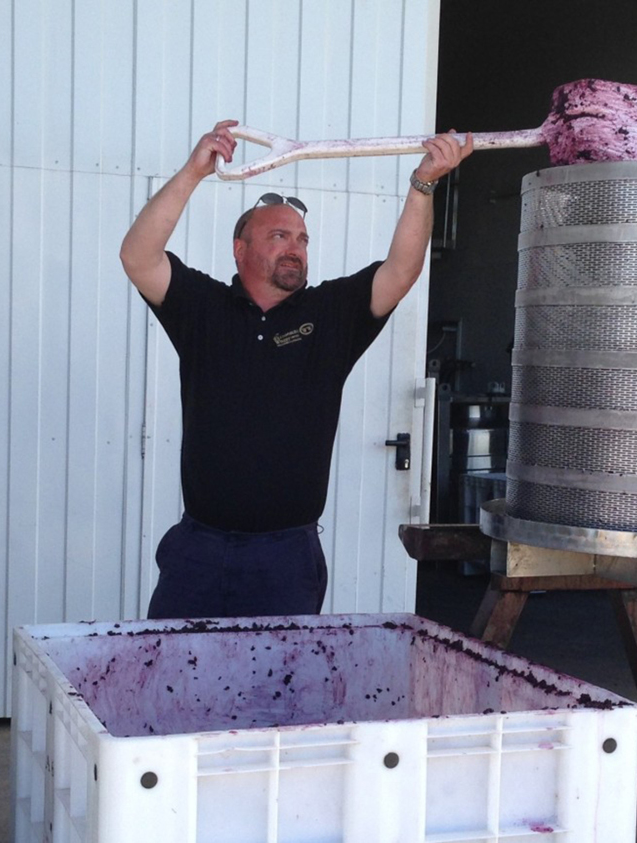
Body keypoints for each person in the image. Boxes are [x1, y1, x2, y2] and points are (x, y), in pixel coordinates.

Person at [120, 118, 473, 619]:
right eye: (279, 235)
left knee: (281, 674)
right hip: (198, 551)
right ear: (240, 249)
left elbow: (401, 271)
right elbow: (138, 256)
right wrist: (194, 172)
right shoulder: (204, 308)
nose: (295, 247)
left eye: (303, 239)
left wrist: (423, 185)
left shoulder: (331, 314)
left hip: (285, 560)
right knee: (174, 670)